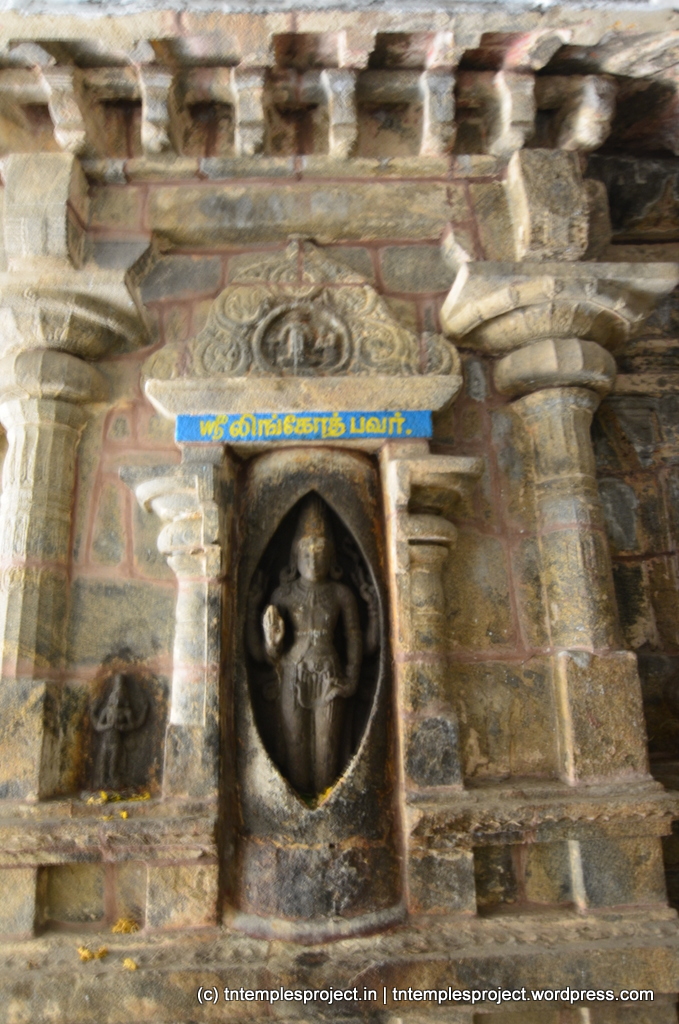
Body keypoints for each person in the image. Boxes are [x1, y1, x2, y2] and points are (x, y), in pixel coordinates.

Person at [260, 496, 362, 795]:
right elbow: (271, 655)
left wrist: (352, 679)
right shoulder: (283, 595)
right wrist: (272, 644)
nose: (313, 559)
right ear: (295, 556)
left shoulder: (341, 594)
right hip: (292, 674)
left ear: (331, 557)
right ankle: (301, 801)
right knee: (295, 748)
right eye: (306, 551)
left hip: (330, 676)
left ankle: (326, 803)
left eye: (320, 551)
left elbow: (354, 636)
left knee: (327, 750)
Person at [91, 673, 147, 789]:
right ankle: (101, 783)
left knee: (113, 766)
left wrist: (123, 727)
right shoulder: (107, 710)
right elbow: (97, 726)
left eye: (120, 695)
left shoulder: (126, 712)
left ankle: (113, 783)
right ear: (111, 696)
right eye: (115, 695)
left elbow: (135, 725)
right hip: (105, 741)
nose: (117, 699)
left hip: (116, 742)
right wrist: (108, 725)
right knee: (102, 765)